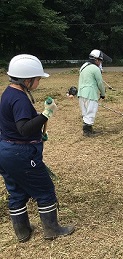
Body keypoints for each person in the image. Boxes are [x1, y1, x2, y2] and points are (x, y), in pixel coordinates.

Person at [0, 54, 75, 242]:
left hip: (6, 150)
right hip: (20, 154)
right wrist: (46, 114)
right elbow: (24, 129)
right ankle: (52, 229)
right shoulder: (20, 99)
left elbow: (14, 125)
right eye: (38, 78)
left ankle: (22, 231)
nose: (39, 81)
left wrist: (38, 133)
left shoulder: (8, 93)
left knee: (16, 191)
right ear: (27, 79)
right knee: (45, 190)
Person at [77, 49, 106, 136]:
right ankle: (87, 132)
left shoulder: (83, 66)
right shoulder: (95, 69)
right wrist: (103, 94)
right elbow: (100, 83)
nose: (100, 63)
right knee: (91, 112)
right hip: (90, 93)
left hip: (81, 93)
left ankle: (88, 130)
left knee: (85, 112)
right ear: (96, 60)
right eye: (100, 60)